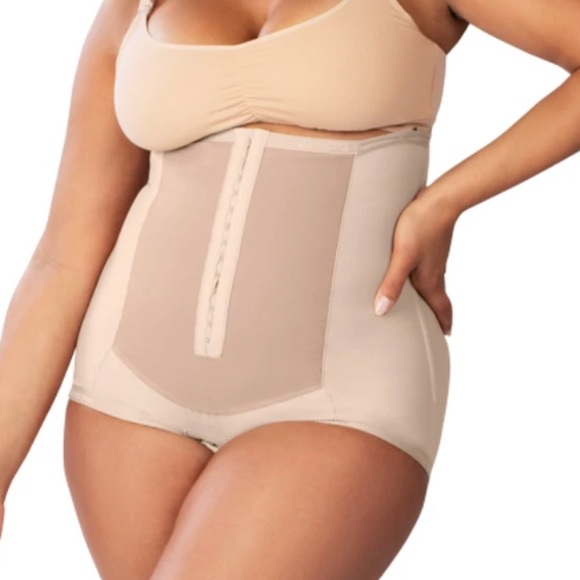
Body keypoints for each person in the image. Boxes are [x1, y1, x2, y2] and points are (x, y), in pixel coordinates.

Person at [0, 0, 578, 577]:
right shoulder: (132, 9)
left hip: (340, 398)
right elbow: (63, 257)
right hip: (126, 400)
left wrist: (444, 202)